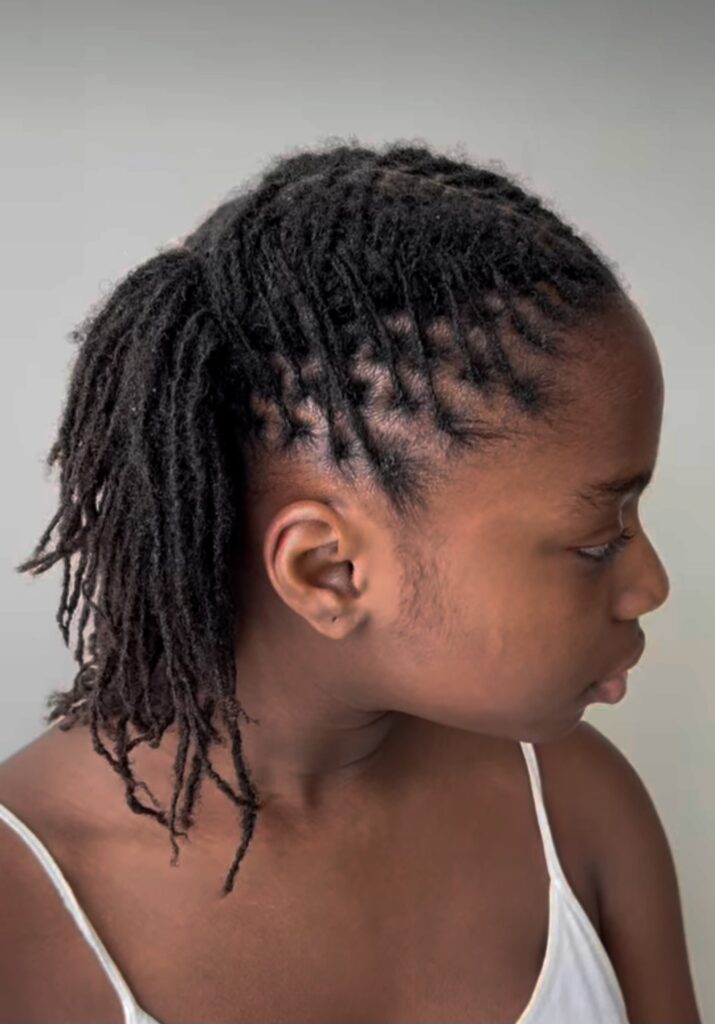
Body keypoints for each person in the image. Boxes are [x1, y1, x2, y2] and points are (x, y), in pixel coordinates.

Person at [0, 141, 702, 1024]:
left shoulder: (574, 807)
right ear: (327, 571)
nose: (650, 584)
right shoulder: (22, 908)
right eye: (599, 541)